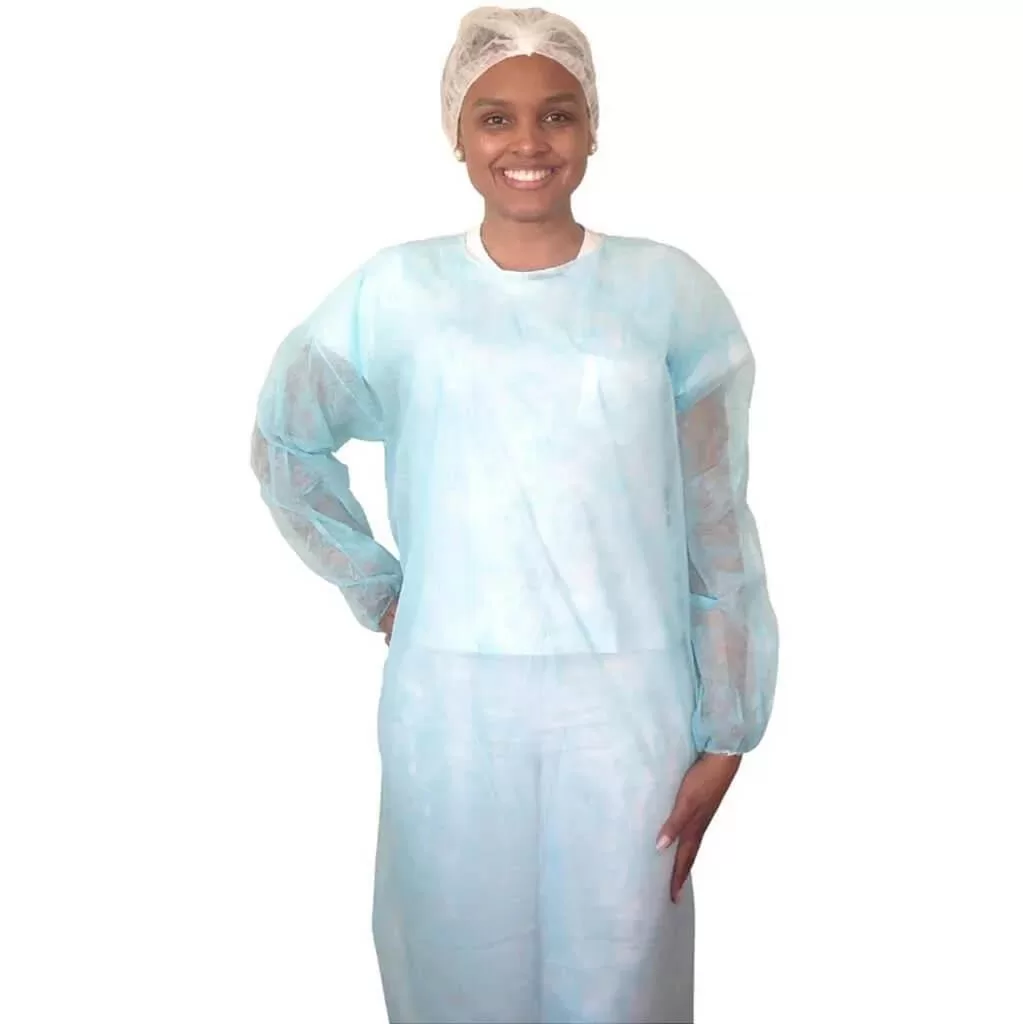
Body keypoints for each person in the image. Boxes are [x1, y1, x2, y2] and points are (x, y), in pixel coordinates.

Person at [250, 6, 779, 1022]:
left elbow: (716, 521)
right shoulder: (396, 293)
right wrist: (379, 587)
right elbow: (286, 444)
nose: (528, 142)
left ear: (592, 128)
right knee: (457, 964)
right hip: (452, 704)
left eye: (557, 114)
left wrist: (728, 729)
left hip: (629, 700)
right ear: (457, 129)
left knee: (620, 970)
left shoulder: (668, 295)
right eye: (495, 116)